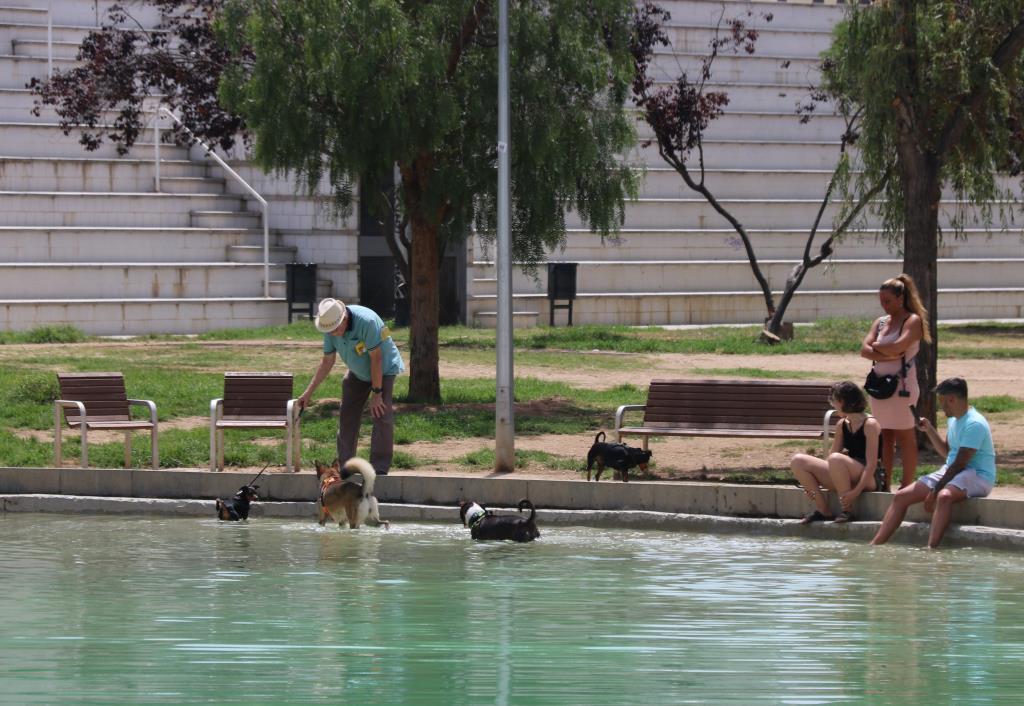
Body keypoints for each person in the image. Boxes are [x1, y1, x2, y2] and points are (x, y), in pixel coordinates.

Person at [870, 377, 996, 548]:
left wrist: (935, 490)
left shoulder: (975, 424)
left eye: (942, 401)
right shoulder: (954, 420)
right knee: (901, 497)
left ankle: (931, 548)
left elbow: (960, 463)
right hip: (954, 471)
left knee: (944, 497)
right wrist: (929, 430)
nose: (940, 406)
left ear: (952, 399)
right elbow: (947, 452)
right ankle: (875, 545)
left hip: (978, 475)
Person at [297, 298, 405, 475]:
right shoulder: (330, 326)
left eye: (336, 329)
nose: (333, 334)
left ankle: (379, 468)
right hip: (358, 371)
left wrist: (377, 393)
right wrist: (308, 393)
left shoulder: (367, 322)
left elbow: (376, 359)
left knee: (381, 414)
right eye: (329, 331)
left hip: (383, 369)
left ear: (345, 318)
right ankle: (346, 467)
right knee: (347, 415)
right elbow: (327, 361)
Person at [860, 273, 931, 490]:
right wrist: (888, 354)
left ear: (901, 299)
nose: (884, 305)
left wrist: (879, 349)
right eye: (881, 300)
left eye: (888, 301)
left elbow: (898, 347)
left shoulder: (913, 321)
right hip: (880, 388)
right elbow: (864, 350)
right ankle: (885, 483)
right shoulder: (880, 323)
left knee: (905, 435)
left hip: (902, 388)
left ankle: (906, 485)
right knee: (885, 436)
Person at [790, 381, 882, 524]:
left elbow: (871, 465)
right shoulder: (842, 425)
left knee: (836, 459)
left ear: (844, 401)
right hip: (846, 473)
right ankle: (823, 510)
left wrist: (855, 493)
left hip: (870, 477)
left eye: (834, 401)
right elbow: (829, 462)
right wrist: (813, 486)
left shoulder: (870, 424)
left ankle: (847, 510)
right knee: (798, 461)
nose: (832, 405)